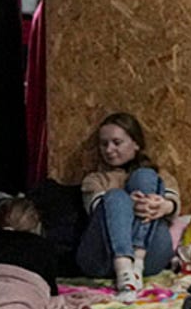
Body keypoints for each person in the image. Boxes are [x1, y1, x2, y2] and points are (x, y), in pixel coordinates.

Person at [76, 112, 179, 299]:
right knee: (116, 197)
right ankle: (125, 272)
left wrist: (163, 206)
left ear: (136, 144)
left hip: (149, 258)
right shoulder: (95, 180)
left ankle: (136, 265)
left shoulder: (159, 176)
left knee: (145, 176)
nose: (108, 149)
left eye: (117, 142)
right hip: (103, 259)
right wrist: (128, 203)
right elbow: (97, 212)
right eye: (103, 144)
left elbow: (174, 203)